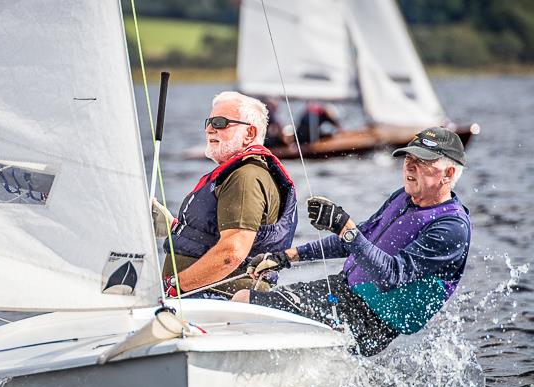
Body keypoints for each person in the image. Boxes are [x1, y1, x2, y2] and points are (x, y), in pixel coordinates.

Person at [232, 127, 471, 356]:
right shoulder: (403, 197)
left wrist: (345, 228)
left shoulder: (451, 226)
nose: (410, 165)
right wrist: (285, 257)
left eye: (423, 161)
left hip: (369, 321)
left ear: (448, 174)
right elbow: (360, 237)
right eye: (408, 157)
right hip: (341, 291)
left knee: (246, 303)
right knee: (243, 299)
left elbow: (391, 276)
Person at [151, 91, 297, 298]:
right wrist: (174, 227)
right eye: (208, 122)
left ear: (249, 133)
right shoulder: (237, 174)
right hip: (200, 297)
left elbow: (232, 253)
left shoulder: (246, 177)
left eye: (220, 123)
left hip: (219, 301)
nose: (209, 129)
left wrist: (174, 286)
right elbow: (215, 235)